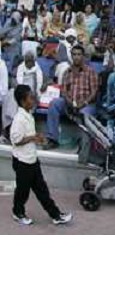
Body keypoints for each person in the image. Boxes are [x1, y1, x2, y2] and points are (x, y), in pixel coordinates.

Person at [10, 85, 73, 226]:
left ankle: (56, 215)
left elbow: (27, 138)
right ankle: (18, 213)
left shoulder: (28, 115)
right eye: (30, 98)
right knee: (22, 192)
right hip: (22, 162)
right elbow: (16, 140)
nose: (33, 100)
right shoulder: (19, 119)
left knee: (42, 190)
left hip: (32, 159)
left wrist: (36, 138)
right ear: (22, 101)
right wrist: (33, 137)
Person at [45, 45, 99, 152]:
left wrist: (83, 103)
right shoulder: (67, 72)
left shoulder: (90, 72)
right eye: (74, 54)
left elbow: (94, 91)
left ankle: (83, 144)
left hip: (86, 104)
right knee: (54, 104)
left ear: (83, 56)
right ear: (71, 56)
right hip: (69, 102)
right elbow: (64, 90)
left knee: (85, 112)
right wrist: (69, 101)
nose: (76, 57)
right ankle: (53, 139)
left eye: (79, 54)